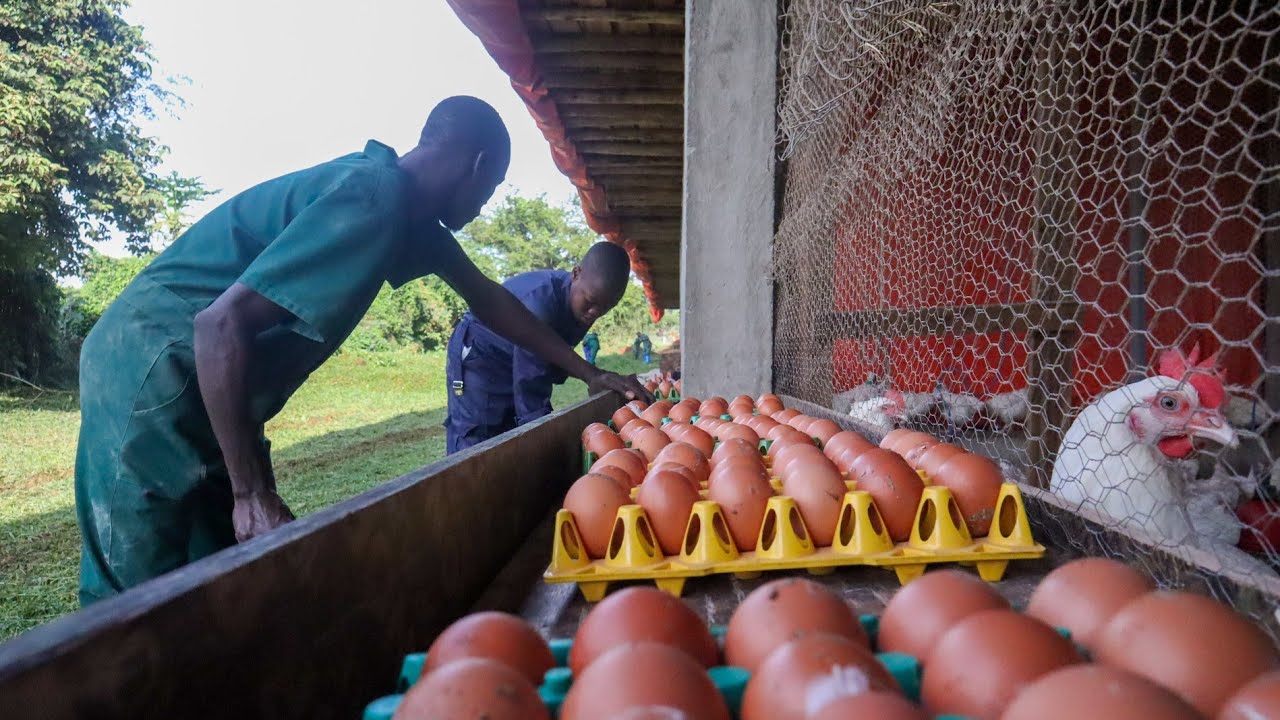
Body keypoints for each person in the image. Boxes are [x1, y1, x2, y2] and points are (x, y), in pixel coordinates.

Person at [72, 96, 649, 605]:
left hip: (214, 396)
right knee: (132, 601)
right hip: (152, 371)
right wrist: (251, 491)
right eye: (492, 188)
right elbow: (217, 326)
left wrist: (587, 372)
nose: (482, 206)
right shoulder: (373, 197)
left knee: (215, 587)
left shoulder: (409, 219)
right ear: (477, 166)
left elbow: (491, 302)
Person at [443, 243, 630, 453]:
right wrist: (546, 439)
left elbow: (556, 355)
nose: (594, 312)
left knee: (510, 433)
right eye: (590, 302)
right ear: (576, 274)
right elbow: (530, 382)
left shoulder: (581, 302)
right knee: (477, 437)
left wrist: (596, 376)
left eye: (606, 308)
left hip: (515, 358)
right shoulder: (541, 302)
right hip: (480, 355)